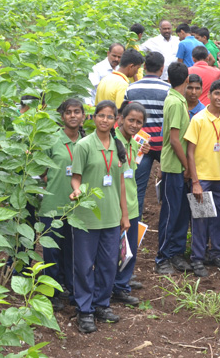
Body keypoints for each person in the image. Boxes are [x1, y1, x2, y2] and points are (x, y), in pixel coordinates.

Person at [68, 100, 129, 334]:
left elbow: (121, 184)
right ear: (93, 118)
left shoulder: (117, 145)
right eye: (101, 116)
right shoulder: (83, 145)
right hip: (87, 216)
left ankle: (101, 305)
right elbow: (76, 177)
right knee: (84, 265)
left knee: (107, 264)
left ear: (116, 120)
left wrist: (125, 215)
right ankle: (84, 310)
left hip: (112, 217)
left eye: (110, 116)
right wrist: (77, 190)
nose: (105, 120)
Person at [38, 98, 86, 311]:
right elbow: (40, 171)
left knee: (71, 249)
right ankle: (51, 292)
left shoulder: (86, 142)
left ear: (83, 116)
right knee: (51, 251)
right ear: (62, 116)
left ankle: (67, 287)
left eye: (77, 112)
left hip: (76, 208)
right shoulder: (51, 141)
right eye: (69, 112)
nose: (73, 115)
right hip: (52, 204)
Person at [184, 80, 220, 277]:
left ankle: (217, 254)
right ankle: (197, 257)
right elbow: (190, 152)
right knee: (201, 218)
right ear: (210, 95)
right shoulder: (199, 119)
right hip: (203, 177)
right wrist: (195, 182)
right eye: (217, 94)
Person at [123, 51, 170, 224]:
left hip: (139, 145)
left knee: (137, 189)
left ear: (143, 67)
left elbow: (125, 115)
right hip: (163, 145)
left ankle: (133, 226)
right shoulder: (168, 90)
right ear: (162, 68)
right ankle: (166, 226)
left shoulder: (131, 88)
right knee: (168, 188)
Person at [155, 62, 193, 275]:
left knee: (180, 212)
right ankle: (162, 257)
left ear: (168, 79)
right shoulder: (176, 103)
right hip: (174, 166)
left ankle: (175, 253)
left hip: (177, 166)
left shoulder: (176, 100)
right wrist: (187, 166)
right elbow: (176, 140)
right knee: (170, 213)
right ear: (187, 80)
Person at [112, 101, 148, 306]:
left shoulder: (134, 144)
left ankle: (121, 287)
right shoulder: (111, 141)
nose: (134, 125)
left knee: (128, 250)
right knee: (112, 250)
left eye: (139, 122)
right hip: (115, 206)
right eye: (131, 120)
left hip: (132, 205)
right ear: (121, 119)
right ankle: (111, 286)